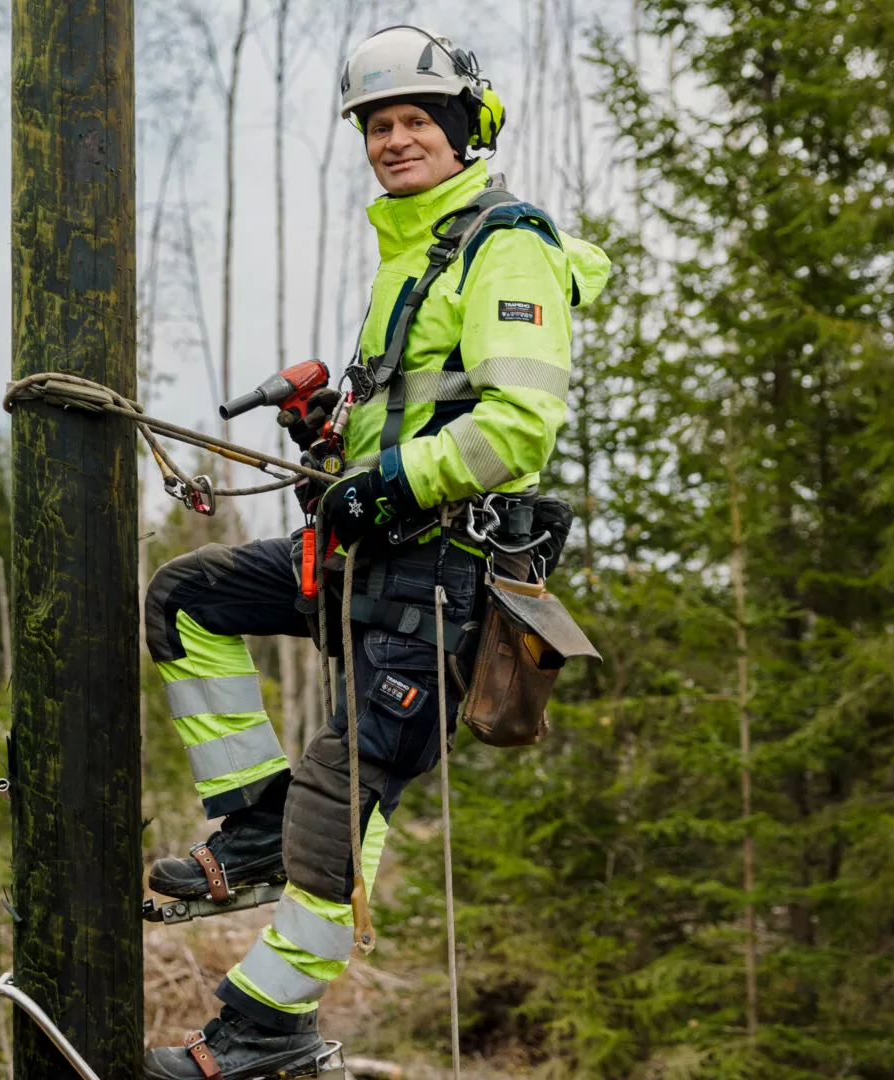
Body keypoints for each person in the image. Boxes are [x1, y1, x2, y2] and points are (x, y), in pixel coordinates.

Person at [139, 25, 613, 1080]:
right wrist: (338, 439)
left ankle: (266, 1031)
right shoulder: (412, 252)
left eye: (414, 121)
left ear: (463, 130)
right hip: (364, 555)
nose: (394, 140)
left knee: (342, 802)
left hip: (441, 577)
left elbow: (518, 428)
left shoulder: (506, 247)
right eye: (378, 125)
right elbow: (418, 408)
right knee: (186, 599)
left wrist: (389, 479)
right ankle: (250, 826)